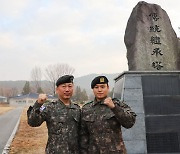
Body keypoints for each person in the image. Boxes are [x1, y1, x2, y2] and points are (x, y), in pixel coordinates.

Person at [80, 75, 136, 154]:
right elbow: (83, 135)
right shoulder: (86, 109)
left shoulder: (117, 104)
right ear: (93, 89)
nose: (99, 90)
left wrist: (114, 107)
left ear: (108, 88)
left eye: (102, 87)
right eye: (96, 87)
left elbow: (130, 122)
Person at [27, 75, 81, 154]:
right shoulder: (49, 107)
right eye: (63, 86)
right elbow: (33, 122)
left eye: (70, 86)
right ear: (57, 90)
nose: (67, 89)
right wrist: (38, 104)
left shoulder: (77, 109)